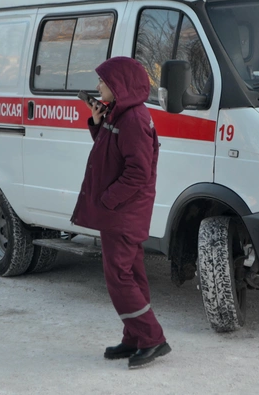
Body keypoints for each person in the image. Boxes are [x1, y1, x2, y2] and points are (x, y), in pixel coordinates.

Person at [71, 56, 171, 369]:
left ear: (120, 85)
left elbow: (138, 172)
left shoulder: (134, 119)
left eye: (104, 81)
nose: (99, 85)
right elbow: (109, 153)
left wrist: (108, 200)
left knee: (119, 275)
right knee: (132, 274)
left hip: (123, 212)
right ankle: (135, 336)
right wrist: (97, 122)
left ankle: (152, 338)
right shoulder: (118, 114)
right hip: (120, 211)